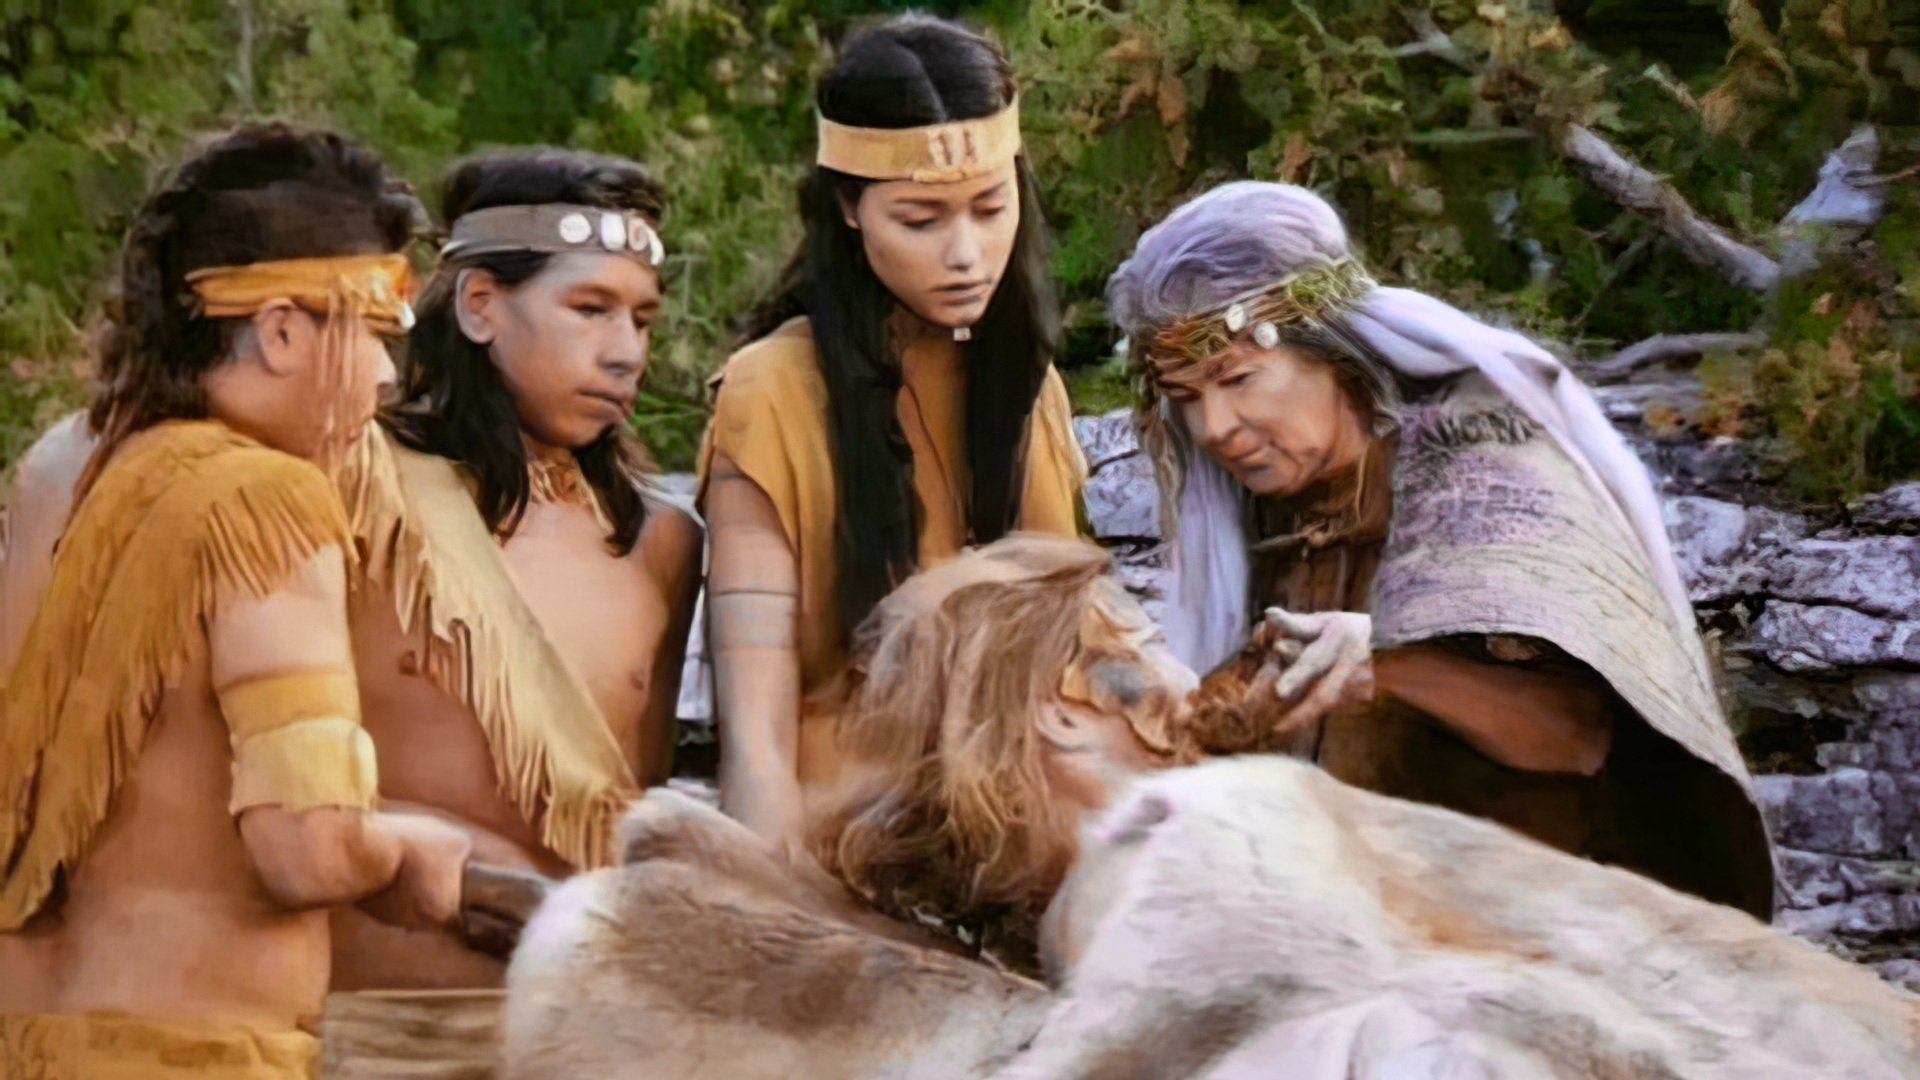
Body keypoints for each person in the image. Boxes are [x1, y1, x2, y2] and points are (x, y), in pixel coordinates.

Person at [1105, 180, 1773, 916]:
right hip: (1352, 922)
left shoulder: (1484, 455)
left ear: (1334, 351)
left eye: (1236, 378)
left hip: (1540, 923)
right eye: (1186, 397)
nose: (1214, 427)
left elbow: (1574, 736)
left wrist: (1382, 666)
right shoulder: (1265, 503)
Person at [0, 123, 469, 1079]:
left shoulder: (68, 467)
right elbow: (305, 849)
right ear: (284, 330)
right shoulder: (266, 503)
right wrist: (406, 850)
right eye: (374, 333)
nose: (387, 376)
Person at [700, 13, 1087, 852]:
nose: (967, 254)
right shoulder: (770, 391)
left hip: (1020, 833)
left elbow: (1071, 662)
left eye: (990, 208)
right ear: (848, 208)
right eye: (920, 220)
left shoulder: (1030, 384)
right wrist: (774, 898)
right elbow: (757, 736)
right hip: (843, 842)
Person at [331, 148, 703, 989]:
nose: (626, 354)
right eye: (590, 309)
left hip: (571, 1016)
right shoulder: (357, 489)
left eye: (643, 321)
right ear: (480, 306)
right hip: (366, 1012)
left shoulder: (659, 542)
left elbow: (623, 821)